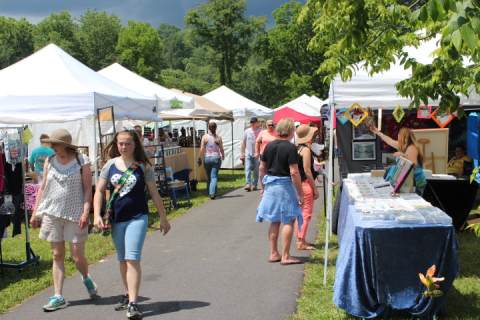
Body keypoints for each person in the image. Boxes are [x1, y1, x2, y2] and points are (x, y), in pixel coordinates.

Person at [93, 130, 170, 320]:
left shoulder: (144, 167)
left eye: (127, 143)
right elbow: (99, 191)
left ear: (135, 144)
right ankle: (128, 295)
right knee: (122, 259)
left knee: (132, 258)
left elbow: (154, 193)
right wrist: (96, 215)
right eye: (120, 143)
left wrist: (163, 217)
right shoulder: (109, 166)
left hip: (138, 217)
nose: (124, 147)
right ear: (116, 144)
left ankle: (134, 304)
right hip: (117, 219)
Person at [29, 129, 97, 312]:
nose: (52, 146)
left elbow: (88, 190)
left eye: (56, 143)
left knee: (76, 256)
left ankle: (86, 277)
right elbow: (42, 188)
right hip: (52, 213)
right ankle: (58, 295)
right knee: (57, 255)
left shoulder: (81, 161)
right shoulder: (50, 161)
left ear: (65, 144)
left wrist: (85, 213)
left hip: (75, 213)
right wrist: (35, 213)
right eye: (51, 143)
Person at [256, 118, 304, 265]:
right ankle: (286, 256)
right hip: (284, 186)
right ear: (291, 131)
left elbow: (261, 168)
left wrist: (262, 187)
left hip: (270, 185)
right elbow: (294, 172)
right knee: (289, 219)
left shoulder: (269, 146)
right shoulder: (290, 148)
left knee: (274, 220)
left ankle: (273, 253)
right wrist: (300, 192)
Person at [372, 126, 426, 193]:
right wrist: (378, 133)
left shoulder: (412, 148)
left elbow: (413, 164)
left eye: (399, 134)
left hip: (416, 182)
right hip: (409, 182)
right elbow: (389, 141)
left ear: (404, 137)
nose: (398, 136)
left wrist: (403, 156)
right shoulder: (402, 145)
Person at [294, 125, 320, 250]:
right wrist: (315, 188)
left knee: (299, 213)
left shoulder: (296, 148)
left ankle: (301, 238)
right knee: (306, 214)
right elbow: (307, 170)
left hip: (297, 184)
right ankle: (300, 241)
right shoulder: (306, 150)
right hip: (305, 184)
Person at [199, 122, 225, 199]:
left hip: (207, 158)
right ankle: (212, 193)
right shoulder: (218, 138)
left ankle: (211, 192)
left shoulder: (204, 137)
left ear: (208, 128)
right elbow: (221, 149)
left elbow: (201, 148)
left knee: (209, 177)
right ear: (216, 128)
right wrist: (223, 155)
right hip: (216, 158)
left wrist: (199, 157)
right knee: (214, 176)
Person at [240, 117, 262, 191]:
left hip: (257, 153)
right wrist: (242, 153)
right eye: (251, 122)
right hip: (248, 152)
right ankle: (248, 184)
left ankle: (254, 184)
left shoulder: (260, 131)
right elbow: (243, 142)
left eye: (253, 122)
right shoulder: (247, 131)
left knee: (256, 170)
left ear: (257, 123)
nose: (252, 124)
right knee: (248, 168)